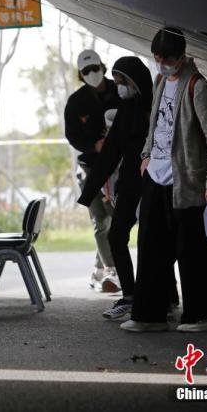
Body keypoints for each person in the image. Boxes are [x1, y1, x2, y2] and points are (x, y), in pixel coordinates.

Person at [120, 27, 207, 333]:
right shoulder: (159, 81)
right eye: (157, 58)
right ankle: (148, 315)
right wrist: (146, 155)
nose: (162, 63)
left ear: (181, 56)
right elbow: (154, 125)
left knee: (192, 252)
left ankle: (201, 315)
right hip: (155, 176)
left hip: (187, 181)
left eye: (167, 59)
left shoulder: (198, 86)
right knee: (151, 248)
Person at [79, 56, 173, 320]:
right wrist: (89, 192)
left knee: (155, 241)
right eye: (117, 81)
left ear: (135, 81)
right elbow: (111, 153)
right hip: (130, 185)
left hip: (156, 184)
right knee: (116, 236)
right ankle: (130, 296)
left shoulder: (155, 109)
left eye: (122, 81)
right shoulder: (125, 111)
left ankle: (166, 297)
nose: (118, 86)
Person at [64, 49, 121, 292]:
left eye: (95, 68)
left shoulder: (119, 92)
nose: (92, 73)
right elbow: (72, 135)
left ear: (102, 67)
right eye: (86, 71)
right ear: (80, 74)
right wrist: (93, 146)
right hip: (90, 168)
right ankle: (111, 270)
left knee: (116, 219)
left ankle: (99, 268)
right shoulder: (76, 102)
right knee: (100, 219)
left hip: (119, 168)